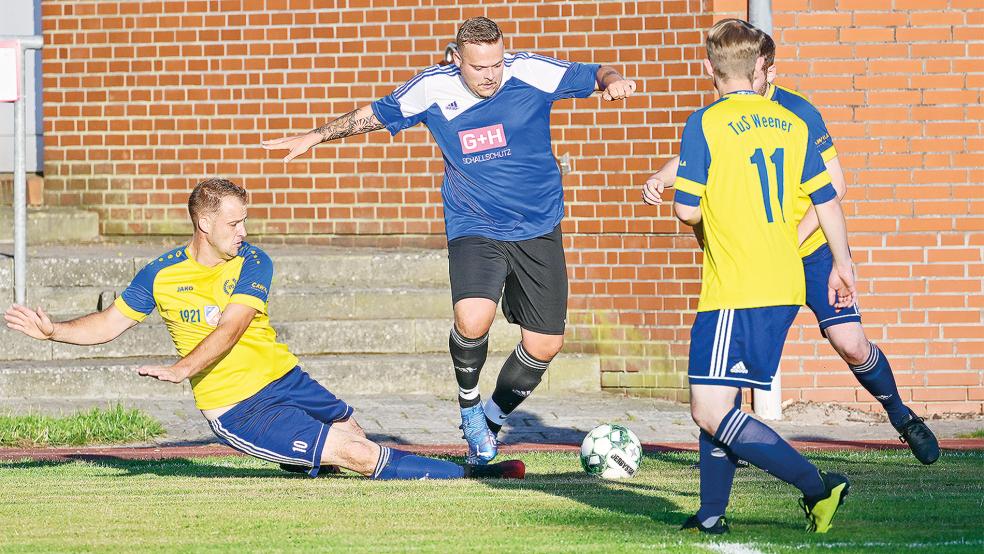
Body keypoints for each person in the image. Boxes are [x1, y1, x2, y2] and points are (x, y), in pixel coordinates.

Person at [262, 17, 637, 464]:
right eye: (479, 67)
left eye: (497, 64)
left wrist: (613, 81)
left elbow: (594, 73)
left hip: (538, 226)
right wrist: (315, 135)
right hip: (474, 223)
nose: (491, 75)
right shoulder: (431, 87)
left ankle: (491, 418)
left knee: (545, 345)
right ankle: (469, 404)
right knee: (472, 319)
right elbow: (374, 115)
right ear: (457, 59)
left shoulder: (531, 72)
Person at [4, 178, 525, 481]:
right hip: (238, 406)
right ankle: (472, 475)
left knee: (353, 433)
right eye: (234, 223)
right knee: (357, 456)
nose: (244, 231)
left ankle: (303, 459)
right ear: (204, 225)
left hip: (285, 378)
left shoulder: (254, 260)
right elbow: (109, 323)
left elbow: (232, 327)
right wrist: (54, 333)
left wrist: (181, 366)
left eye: (244, 221)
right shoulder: (161, 273)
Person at [641, 27, 939, 466]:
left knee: (851, 342)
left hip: (808, 247)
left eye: (760, 69)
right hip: (762, 258)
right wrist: (661, 178)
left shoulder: (797, 113)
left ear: (767, 69)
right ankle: (729, 450)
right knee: (729, 367)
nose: (754, 75)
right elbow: (697, 159)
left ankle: (901, 415)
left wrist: (795, 240)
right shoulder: (725, 113)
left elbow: (835, 186)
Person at [670, 19, 857, 534]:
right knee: (721, 397)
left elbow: (686, 210)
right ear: (758, 68)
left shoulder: (703, 123)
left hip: (736, 283)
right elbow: (828, 200)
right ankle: (710, 515)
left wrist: (701, 205)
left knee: (709, 409)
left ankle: (819, 486)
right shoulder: (791, 124)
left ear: (710, 69)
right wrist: (842, 266)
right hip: (784, 281)